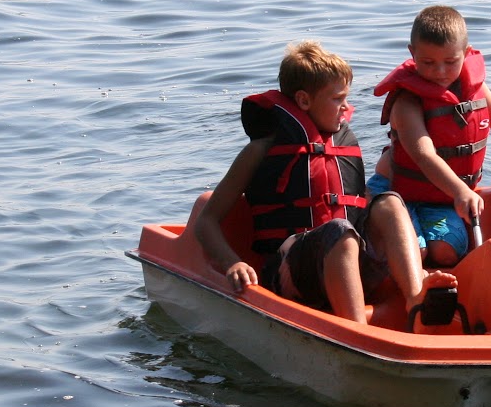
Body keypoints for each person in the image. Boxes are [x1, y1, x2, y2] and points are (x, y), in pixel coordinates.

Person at [191, 40, 454, 325]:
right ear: (304, 100)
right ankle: (357, 334)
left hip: (347, 262)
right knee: (339, 231)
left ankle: (416, 298)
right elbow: (206, 222)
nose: (346, 108)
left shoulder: (343, 144)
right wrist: (233, 262)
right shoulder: (262, 149)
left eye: (346, 98)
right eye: (337, 99)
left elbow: (354, 204)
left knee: (389, 202)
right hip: (292, 275)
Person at [373, 5, 491, 266]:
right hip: (394, 192)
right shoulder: (407, 101)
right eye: (428, 62)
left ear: (465, 53)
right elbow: (423, 155)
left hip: (443, 197)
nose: (440, 72)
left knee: (445, 252)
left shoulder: (475, 88)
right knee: (414, 254)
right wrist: (461, 191)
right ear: (412, 53)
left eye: (450, 62)